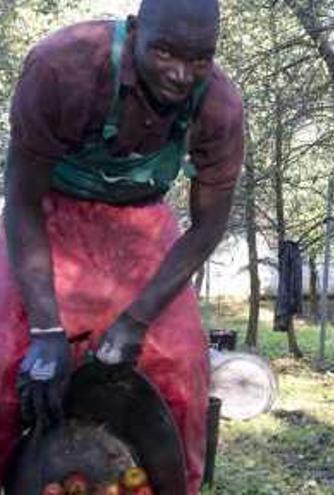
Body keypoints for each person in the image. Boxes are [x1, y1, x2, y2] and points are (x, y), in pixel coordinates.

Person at [0, 0, 243, 492]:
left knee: (182, 367)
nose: (180, 74)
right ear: (135, 32)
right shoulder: (61, 67)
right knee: (9, 358)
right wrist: (47, 329)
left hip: (143, 229)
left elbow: (206, 227)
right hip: (49, 217)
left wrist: (136, 320)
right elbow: (20, 201)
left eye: (199, 59)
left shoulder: (219, 105)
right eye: (165, 52)